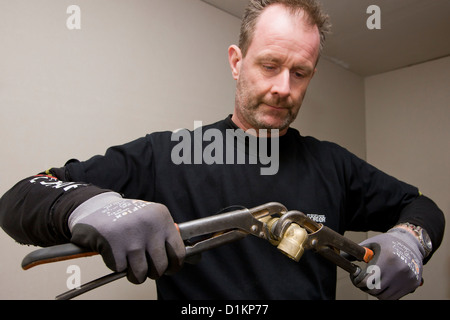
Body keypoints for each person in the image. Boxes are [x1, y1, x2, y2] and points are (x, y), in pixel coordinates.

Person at [0, 0, 445, 300]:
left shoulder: (333, 164)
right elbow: (22, 196)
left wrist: (410, 240)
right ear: (237, 61)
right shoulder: (166, 154)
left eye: (300, 72)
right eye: (269, 65)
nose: (282, 88)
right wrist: (92, 207)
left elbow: (422, 205)